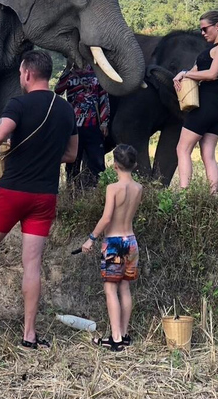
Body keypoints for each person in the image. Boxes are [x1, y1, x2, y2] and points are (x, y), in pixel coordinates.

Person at [0, 49, 78, 349]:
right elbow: (72, 154)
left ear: (26, 74)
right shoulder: (66, 110)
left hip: (12, 192)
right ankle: (29, 334)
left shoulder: (19, 104)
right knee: (32, 264)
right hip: (45, 196)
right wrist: (46, 157)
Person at [81, 144, 142, 352]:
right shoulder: (138, 188)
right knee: (125, 288)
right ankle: (123, 335)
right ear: (133, 164)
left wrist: (91, 238)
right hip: (131, 242)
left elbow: (107, 218)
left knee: (110, 289)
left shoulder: (113, 189)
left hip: (114, 243)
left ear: (115, 165)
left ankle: (115, 339)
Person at [173, 11, 218, 194]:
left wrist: (186, 73)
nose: (203, 33)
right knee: (207, 155)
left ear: (217, 26)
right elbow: (194, 71)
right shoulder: (209, 50)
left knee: (182, 149)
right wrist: (182, 76)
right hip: (215, 106)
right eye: (200, 30)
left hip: (209, 104)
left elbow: (212, 74)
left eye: (205, 29)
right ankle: (212, 198)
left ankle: (184, 194)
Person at [54, 63, 110, 189]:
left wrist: (104, 121)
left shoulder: (97, 72)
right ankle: (72, 192)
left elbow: (103, 97)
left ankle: (99, 192)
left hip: (93, 125)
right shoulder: (69, 73)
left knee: (97, 163)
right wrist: (68, 69)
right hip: (74, 128)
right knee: (72, 164)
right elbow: (58, 90)